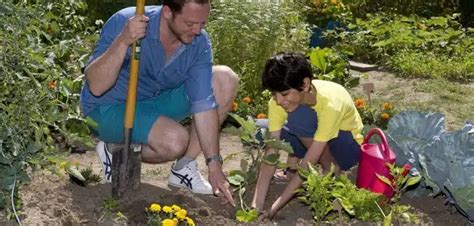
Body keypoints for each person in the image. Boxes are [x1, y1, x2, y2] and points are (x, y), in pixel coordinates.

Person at [80, 0, 237, 206]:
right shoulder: (127, 21)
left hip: (154, 102)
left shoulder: (198, 43)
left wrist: (214, 166)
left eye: (202, 23)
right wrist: (124, 40)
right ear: (168, 12)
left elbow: (204, 105)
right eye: (190, 24)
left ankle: (184, 168)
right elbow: (97, 86)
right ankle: (113, 148)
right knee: (174, 141)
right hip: (109, 108)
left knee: (224, 80)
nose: (198, 31)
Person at [251, 52, 363, 220]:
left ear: (305, 84)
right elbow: (272, 150)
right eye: (275, 94)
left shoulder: (330, 104)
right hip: (317, 141)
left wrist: (273, 209)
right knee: (259, 129)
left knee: (298, 117)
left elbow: (307, 166)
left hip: (347, 148)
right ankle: (300, 165)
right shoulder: (279, 101)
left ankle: (331, 170)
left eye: (285, 93)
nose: (279, 100)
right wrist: (256, 205)